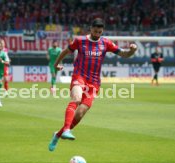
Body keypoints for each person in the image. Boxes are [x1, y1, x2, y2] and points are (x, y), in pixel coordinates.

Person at [48, 18, 138, 152]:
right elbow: (66, 51)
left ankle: (58, 134)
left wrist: (132, 51)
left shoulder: (106, 43)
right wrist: (56, 64)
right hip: (79, 76)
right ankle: (66, 129)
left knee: (79, 114)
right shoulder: (80, 41)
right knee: (76, 99)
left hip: (94, 83)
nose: (97, 34)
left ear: (102, 31)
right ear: (90, 29)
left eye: (100, 32)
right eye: (95, 31)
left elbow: (124, 54)